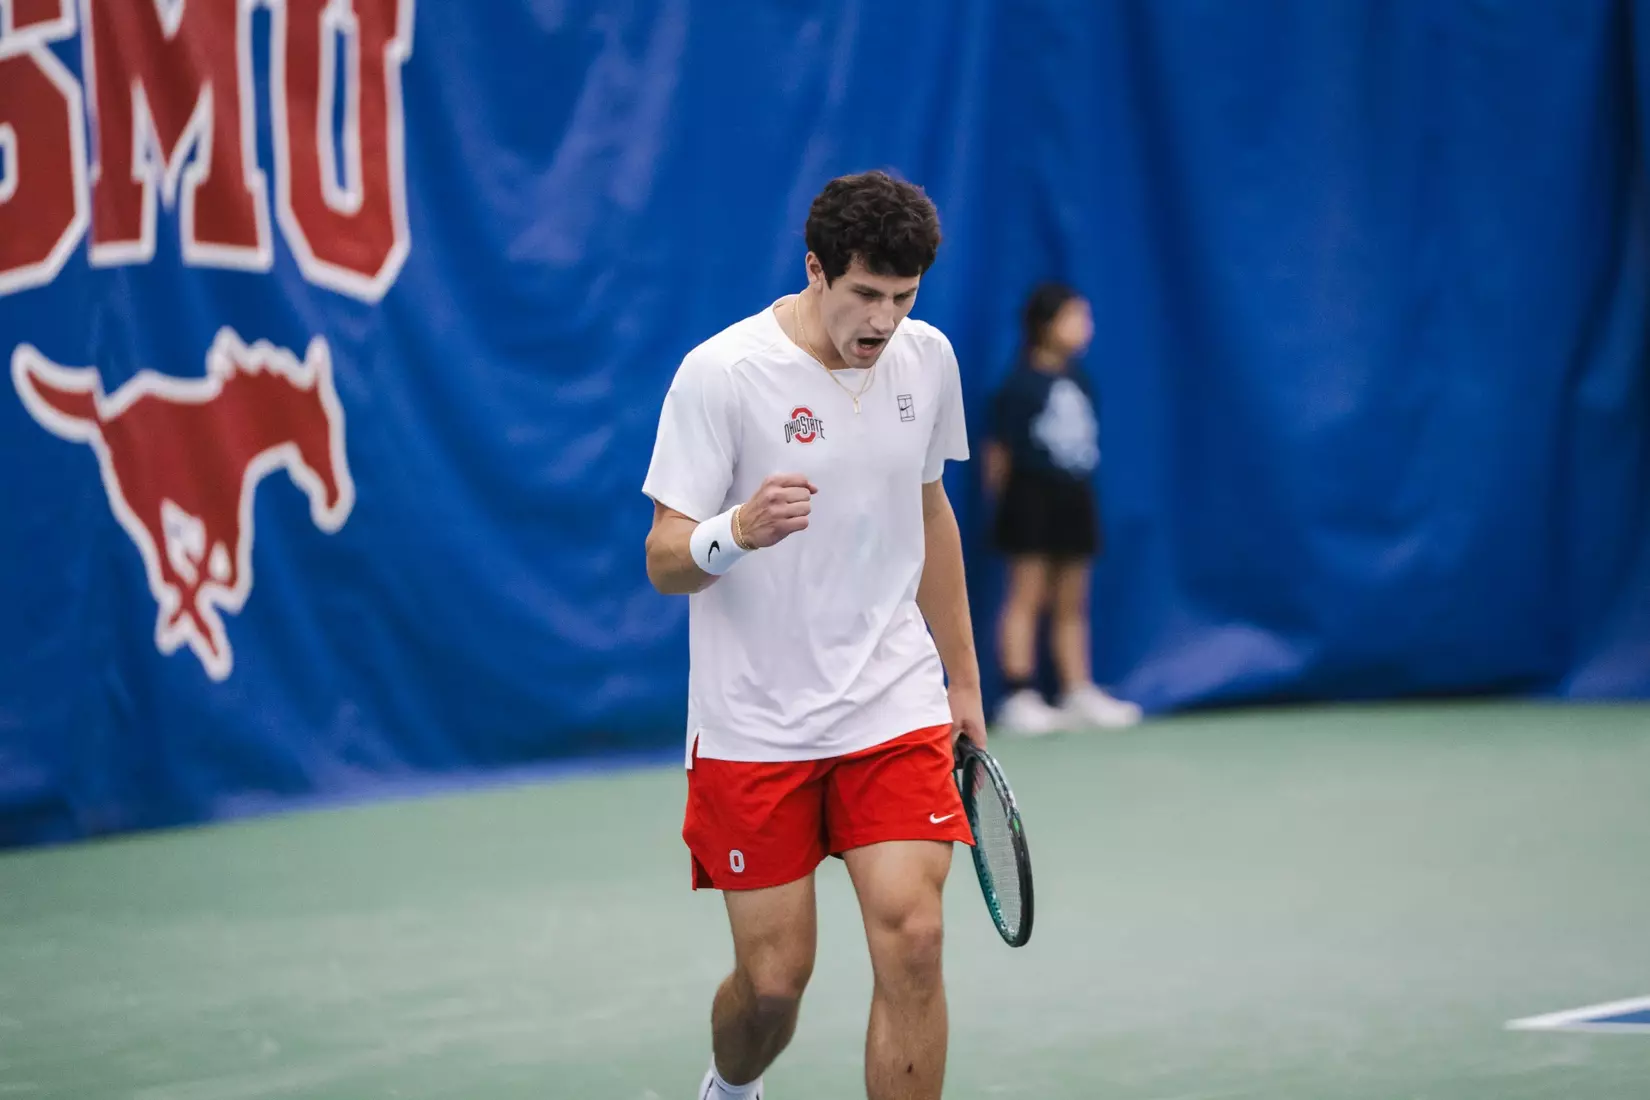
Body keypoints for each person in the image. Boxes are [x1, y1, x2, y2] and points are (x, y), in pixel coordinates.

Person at [641, 170, 985, 1100]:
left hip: (890, 700)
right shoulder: (723, 374)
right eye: (864, 294)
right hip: (755, 724)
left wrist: (962, 683)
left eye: (902, 299)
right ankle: (730, 1086)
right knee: (773, 986)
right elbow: (664, 557)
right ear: (815, 270)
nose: (882, 321)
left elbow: (932, 514)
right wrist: (737, 530)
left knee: (914, 936)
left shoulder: (928, 359)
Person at [984, 282, 1142, 735]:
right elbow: (999, 455)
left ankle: (1076, 690)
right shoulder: (1017, 386)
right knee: (1027, 596)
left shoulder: (1080, 380)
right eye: (1075, 318)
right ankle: (1019, 694)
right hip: (1029, 501)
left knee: (1073, 601)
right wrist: (1004, 509)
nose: (1085, 328)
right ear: (1045, 325)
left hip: (1075, 498)